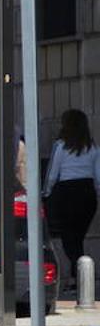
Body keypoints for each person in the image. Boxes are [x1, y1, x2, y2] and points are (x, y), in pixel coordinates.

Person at [43, 108, 100, 286]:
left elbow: (53, 173)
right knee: (78, 236)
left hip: (67, 192)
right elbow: (98, 176)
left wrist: (46, 192)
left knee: (69, 238)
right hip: (87, 193)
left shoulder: (61, 146)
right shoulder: (93, 147)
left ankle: (80, 277)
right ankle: (81, 277)